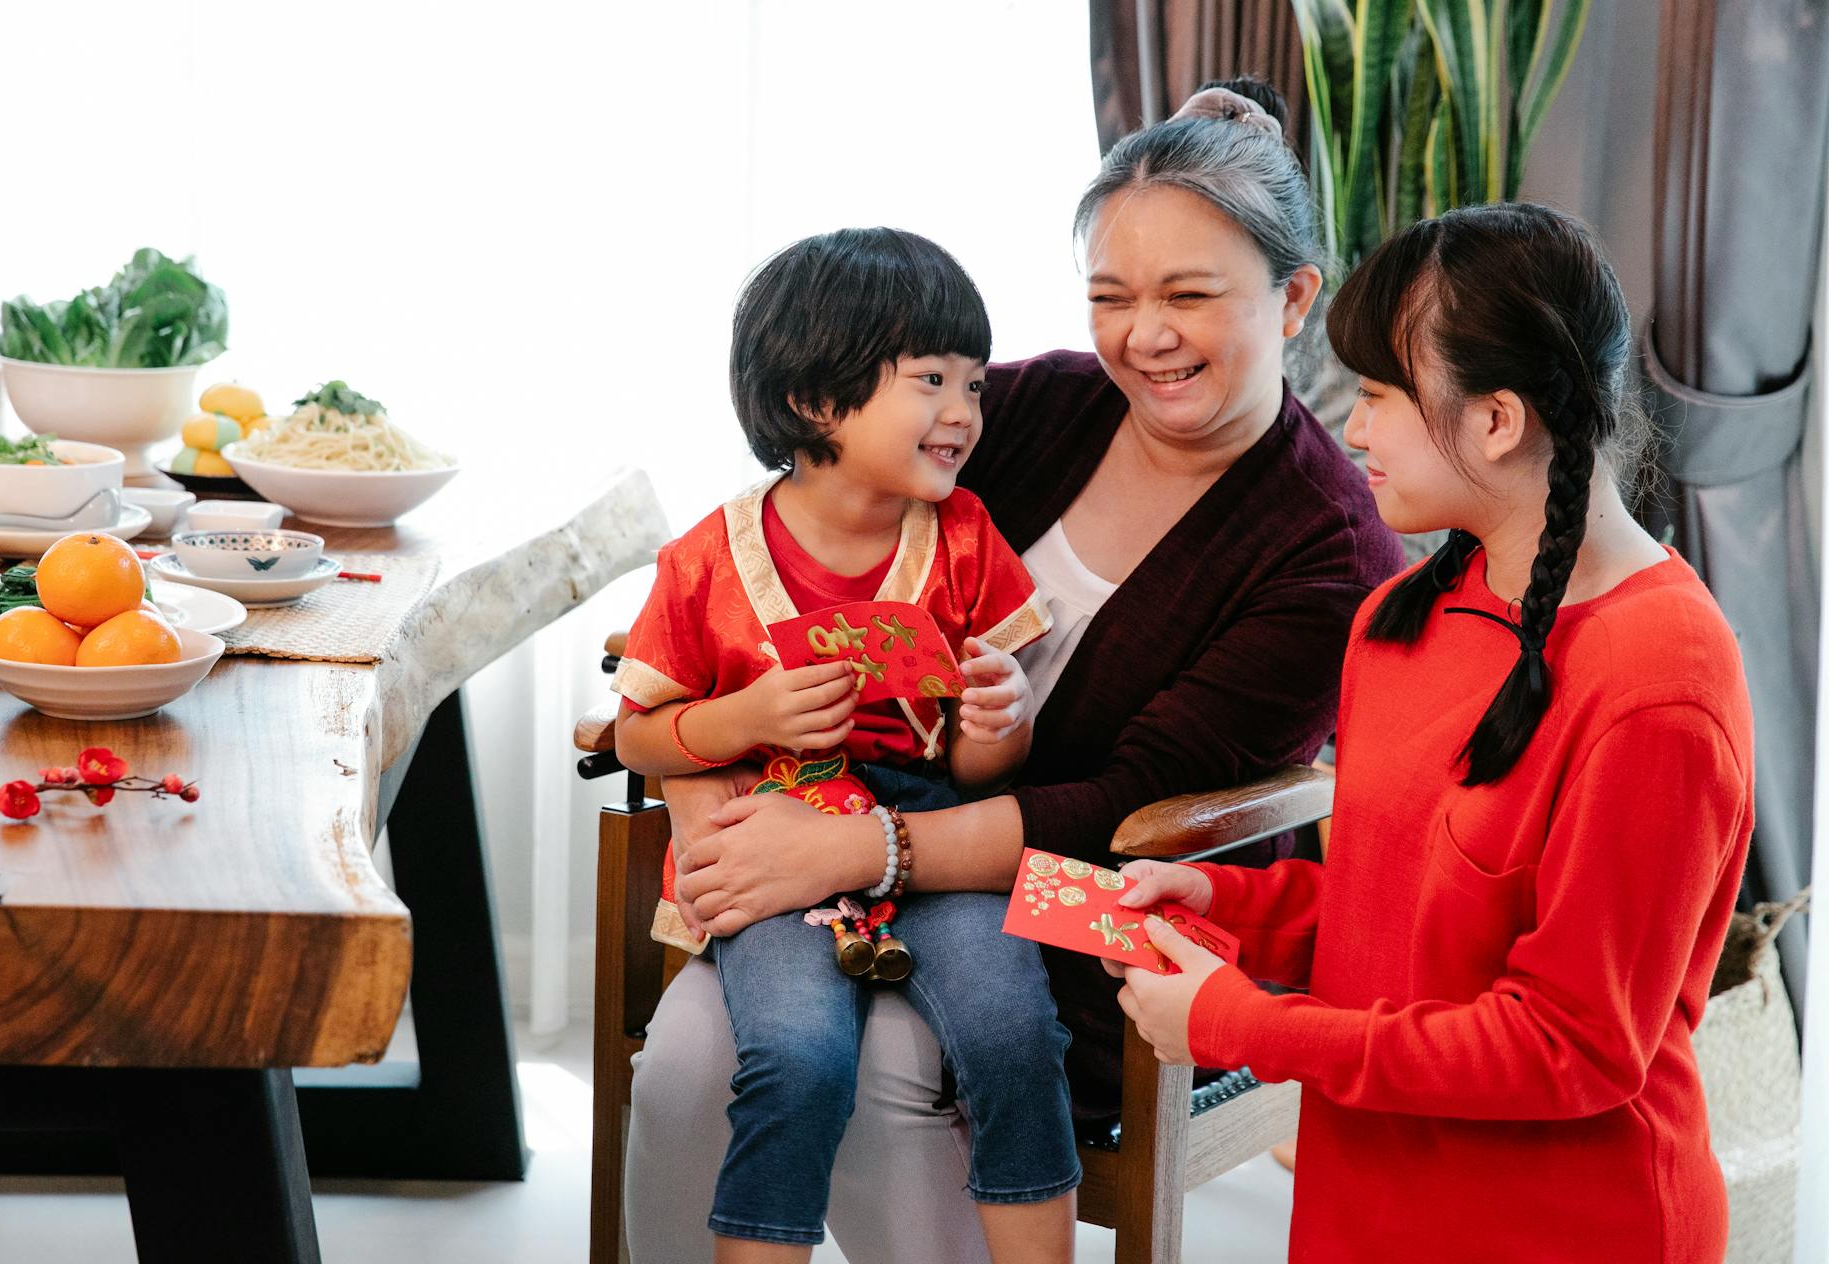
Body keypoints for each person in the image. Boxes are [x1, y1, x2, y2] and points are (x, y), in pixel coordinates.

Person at [624, 80, 1404, 1262]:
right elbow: (794, 545)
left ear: (1293, 297)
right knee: (690, 1049)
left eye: (1190, 295)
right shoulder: (1030, 407)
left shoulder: (1327, 546)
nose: (1145, 335)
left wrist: (863, 848)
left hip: (1111, 895)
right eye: (1112, 296)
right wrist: (727, 806)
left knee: (897, 1058)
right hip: (847, 835)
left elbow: (1127, 814)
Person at [1109, 203, 1753, 1262]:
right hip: (1364, 1199)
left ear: (1497, 419)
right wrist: (1229, 900)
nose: (1350, 428)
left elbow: (1570, 1047)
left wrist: (1240, 1024)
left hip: (1562, 1227)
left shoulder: (1661, 684)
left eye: (1375, 394)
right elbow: (1397, 912)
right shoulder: (1399, 617)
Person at [611, 226, 1081, 1262]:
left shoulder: (965, 541)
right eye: (931, 380)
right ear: (817, 402)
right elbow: (638, 734)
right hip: (783, 837)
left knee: (1013, 1033)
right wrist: (748, 720)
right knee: (793, 1054)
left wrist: (1001, 727)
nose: (964, 410)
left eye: (973, 383)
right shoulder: (706, 562)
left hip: (936, 839)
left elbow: (972, 769)